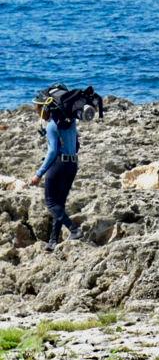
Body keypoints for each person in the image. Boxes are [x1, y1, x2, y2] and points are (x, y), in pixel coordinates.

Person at [30, 88, 85, 251]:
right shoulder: (71, 121)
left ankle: (74, 230)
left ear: (46, 108)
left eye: (38, 108)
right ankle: (53, 241)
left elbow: (53, 151)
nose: (37, 111)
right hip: (72, 164)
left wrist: (38, 174)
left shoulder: (52, 126)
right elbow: (76, 145)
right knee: (59, 204)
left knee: (51, 203)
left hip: (59, 165)